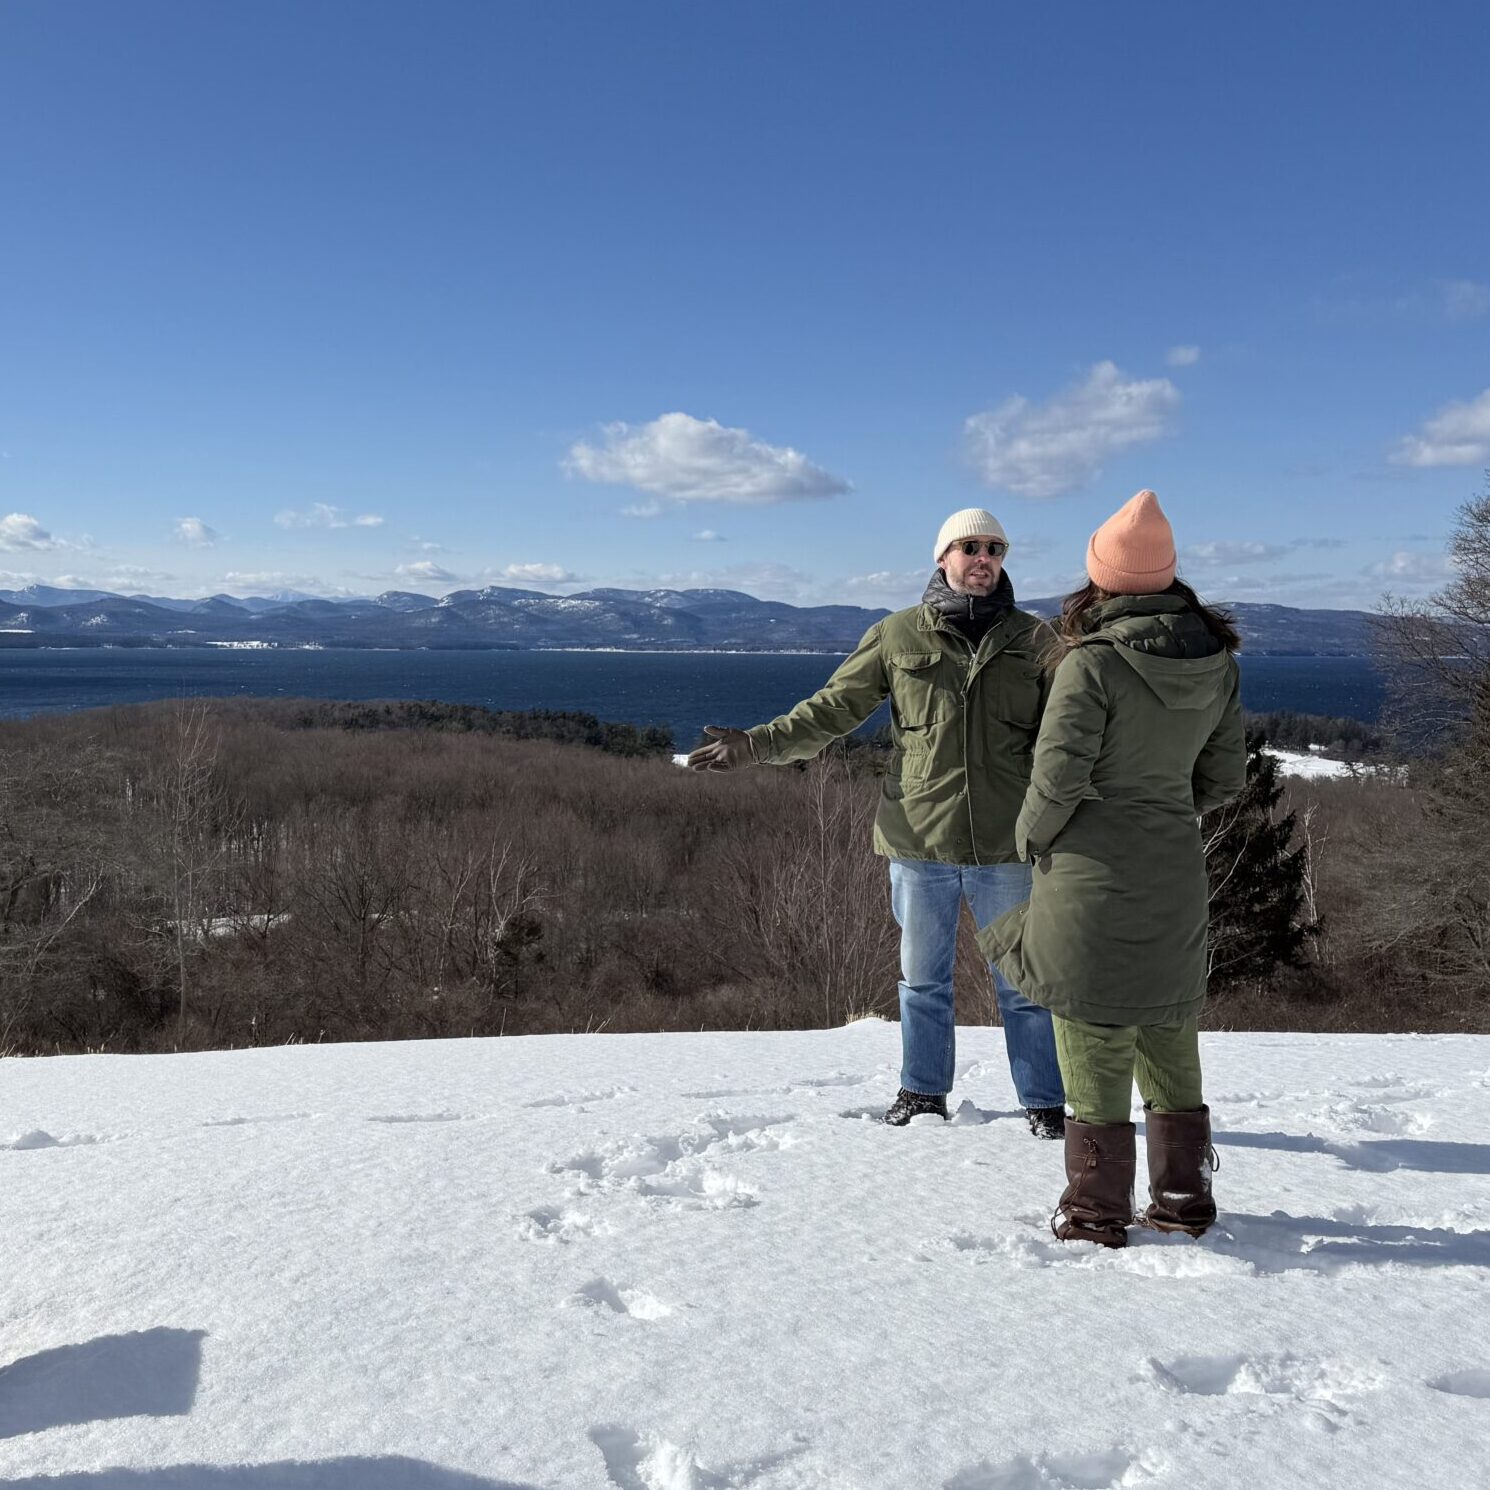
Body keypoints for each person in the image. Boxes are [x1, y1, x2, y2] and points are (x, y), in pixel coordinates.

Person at [686, 508, 1066, 1136]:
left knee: (1025, 984)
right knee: (922, 981)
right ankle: (921, 1093)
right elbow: (834, 709)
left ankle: (1045, 1103)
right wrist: (757, 745)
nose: (983, 558)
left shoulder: (1037, 641)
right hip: (919, 840)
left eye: (994, 548)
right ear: (942, 557)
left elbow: (1074, 732)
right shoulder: (897, 635)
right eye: (969, 546)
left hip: (1009, 843)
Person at [977, 489, 1246, 1247]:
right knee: (1167, 1022)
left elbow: (1056, 780)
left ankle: (1096, 1211)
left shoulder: (1092, 663)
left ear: (1099, 578)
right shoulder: (1217, 663)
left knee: (1092, 1025)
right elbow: (1223, 779)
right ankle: (1184, 1201)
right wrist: (1161, 803)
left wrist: (1032, 840)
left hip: (1090, 872)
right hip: (1173, 867)